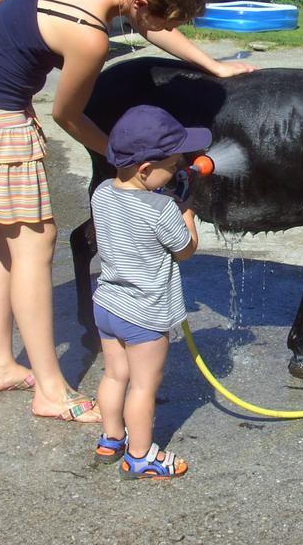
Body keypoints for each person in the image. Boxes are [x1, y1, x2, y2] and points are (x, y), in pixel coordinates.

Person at [0, 0, 253, 423]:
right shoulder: (88, 36)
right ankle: (52, 392)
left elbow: (149, 22)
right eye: (163, 17)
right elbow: (68, 116)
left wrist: (213, 65)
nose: (161, 26)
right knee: (36, 241)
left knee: (4, 241)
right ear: (143, 1)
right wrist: (129, 165)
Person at [90, 105, 206, 479]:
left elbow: (130, 216)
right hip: (145, 315)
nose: (176, 170)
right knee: (143, 386)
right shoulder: (162, 210)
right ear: (145, 170)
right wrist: (185, 208)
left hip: (108, 305)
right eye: (172, 165)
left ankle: (111, 439)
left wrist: (166, 194)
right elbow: (185, 249)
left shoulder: (103, 193)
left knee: (114, 376)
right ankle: (141, 456)